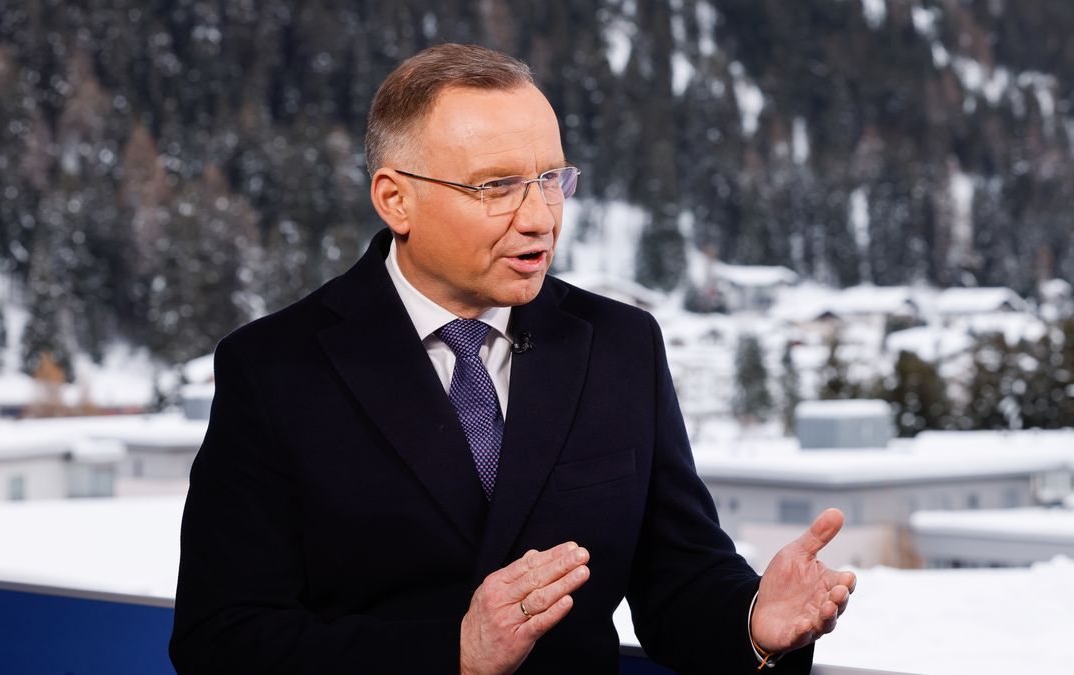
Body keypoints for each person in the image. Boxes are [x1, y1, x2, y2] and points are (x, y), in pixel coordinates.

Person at [169, 43, 855, 675]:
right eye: (496, 186)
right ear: (396, 199)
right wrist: (454, 654)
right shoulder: (273, 369)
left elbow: (679, 578)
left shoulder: (621, 345)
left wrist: (754, 623)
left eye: (551, 178)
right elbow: (220, 639)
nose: (539, 217)